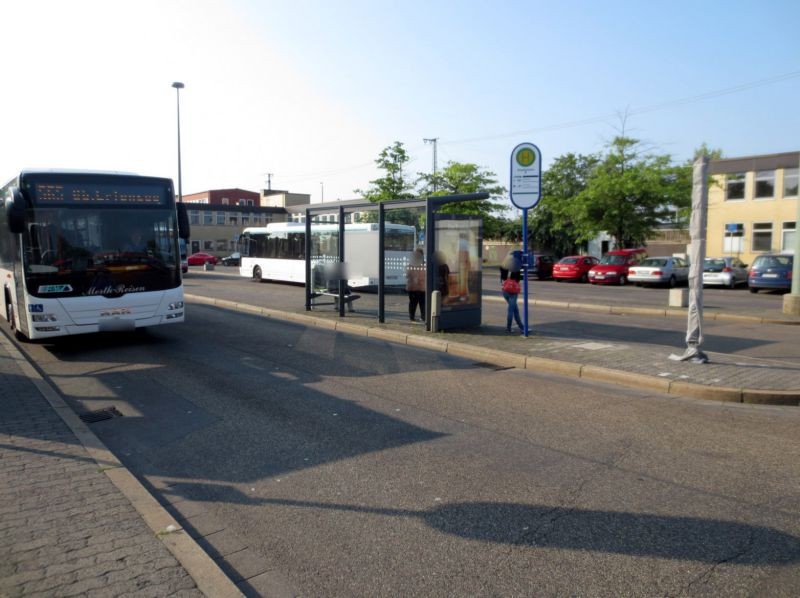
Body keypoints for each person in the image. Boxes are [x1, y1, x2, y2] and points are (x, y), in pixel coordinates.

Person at [500, 255, 524, 334]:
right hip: (512, 292)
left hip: (505, 291)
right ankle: (509, 328)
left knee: (515, 310)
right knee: (511, 310)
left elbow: (502, 278)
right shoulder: (516, 267)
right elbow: (518, 279)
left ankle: (521, 327)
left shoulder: (504, 266)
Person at [406, 249, 425, 321]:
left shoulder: (423, 264)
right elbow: (407, 274)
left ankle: (421, 317)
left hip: (420, 287)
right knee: (415, 303)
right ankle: (413, 317)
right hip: (414, 287)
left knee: (421, 303)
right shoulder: (412, 264)